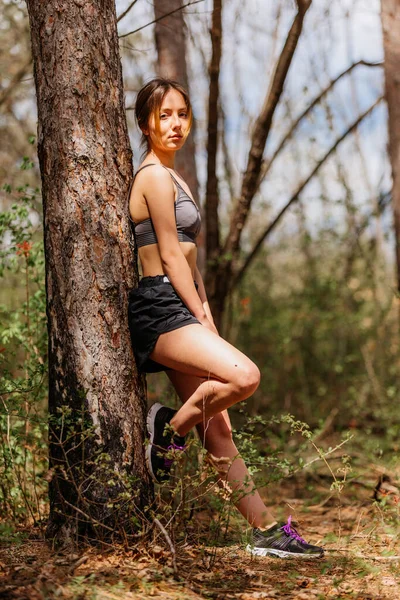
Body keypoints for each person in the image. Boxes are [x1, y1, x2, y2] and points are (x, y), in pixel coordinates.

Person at [127, 77, 323, 559]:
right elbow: (171, 256)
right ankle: (169, 432)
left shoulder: (174, 177)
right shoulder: (151, 176)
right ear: (145, 122)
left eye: (182, 114)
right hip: (160, 305)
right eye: (164, 114)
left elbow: (191, 264)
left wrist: (207, 316)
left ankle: (265, 531)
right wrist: (196, 314)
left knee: (219, 430)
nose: (175, 124)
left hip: (182, 305)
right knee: (245, 375)